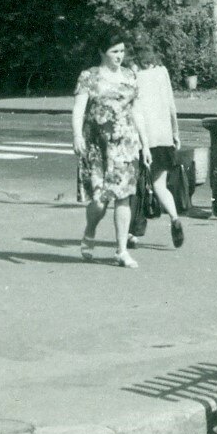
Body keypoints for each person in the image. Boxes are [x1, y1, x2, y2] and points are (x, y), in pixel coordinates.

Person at [72, 33, 151, 268]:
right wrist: (77, 136)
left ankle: (121, 251)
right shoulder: (89, 77)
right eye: (114, 51)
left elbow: (137, 112)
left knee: (123, 197)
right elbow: (78, 109)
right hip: (96, 146)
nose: (119, 56)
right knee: (99, 200)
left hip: (125, 146)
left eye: (122, 51)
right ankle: (90, 231)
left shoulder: (130, 76)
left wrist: (145, 144)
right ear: (102, 52)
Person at [132, 45, 187, 249]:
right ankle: (174, 218)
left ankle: (133, 233)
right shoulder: (163, 73)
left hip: (142, 139)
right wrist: (175, 133)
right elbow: (171, 106)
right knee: (159, 185)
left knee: (136, 187)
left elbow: (134, 109)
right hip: (163, 138)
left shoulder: (134, 76)